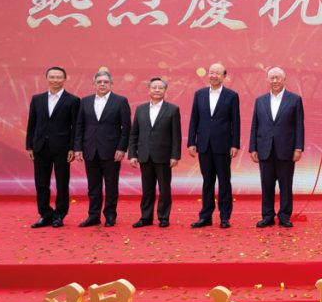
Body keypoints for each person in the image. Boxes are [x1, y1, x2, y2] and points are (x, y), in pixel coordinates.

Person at [249, 67, 305, 229]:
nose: (274, 81)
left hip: (286, 149)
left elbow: (299, 126)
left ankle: (284, 216)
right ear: (268, 80)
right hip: (264, 149)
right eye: (271, 78)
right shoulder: (260, 100)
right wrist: (253, 147)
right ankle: (267, 216)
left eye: (277, 78)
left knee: (285, 185)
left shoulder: (295, 99)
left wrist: (298, 148)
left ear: (284, 80)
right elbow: (255, 125)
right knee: (266, 185)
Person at [74, 70, 131, 227]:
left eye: (106, 82)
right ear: (93, 84)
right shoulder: (84, 101)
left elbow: (126, 128)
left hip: (112, 151)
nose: (102, 84)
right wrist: (78, 148)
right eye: (99, 82)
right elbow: (79, 126)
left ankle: (110, 215)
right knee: (93, 186)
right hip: (90, 149)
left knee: (111, 185)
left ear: (111, 84)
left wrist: (122, 148)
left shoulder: (120, 101)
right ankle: (93, 216)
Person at [187, 63, 240, 229]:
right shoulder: (199, 94)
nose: (214, 75)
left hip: (223, 145)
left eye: (217, 73)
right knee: (207, 181)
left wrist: (235, 144)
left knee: (224, 181)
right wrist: (191, 142)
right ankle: (205, 216)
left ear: (224, 76)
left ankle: (225, 217)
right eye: (211, 73)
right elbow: (194, 120)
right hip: (204, 145)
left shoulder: (231, 95)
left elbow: (235, 122)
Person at [25, 66, 80, 228]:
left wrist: (72, 148)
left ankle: (59, 215)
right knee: (41, 183)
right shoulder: (37, 99)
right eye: (52, 77)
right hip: (40, 146)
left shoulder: (73, 100)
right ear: (47, 78)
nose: (55, 80)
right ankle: (45, 214)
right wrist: (29, 146)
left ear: (64, 79)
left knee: (62, 182)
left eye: (58, 77)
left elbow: (75, 126)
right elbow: (32, 124)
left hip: (63, 148)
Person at [128, 77, 182, 228]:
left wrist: (175, 155)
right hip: (144, 155)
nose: (157, 90)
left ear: (165, 91)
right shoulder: (140, 109)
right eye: (154, 87)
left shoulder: (172, 109)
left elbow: (176, 135)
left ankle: (163, 217)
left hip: (164, 155)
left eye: (160, 87)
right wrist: (132, 154)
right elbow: (134, 134)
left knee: (164, 189)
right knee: (147, 189)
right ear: (149, 90)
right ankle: (146, 217)